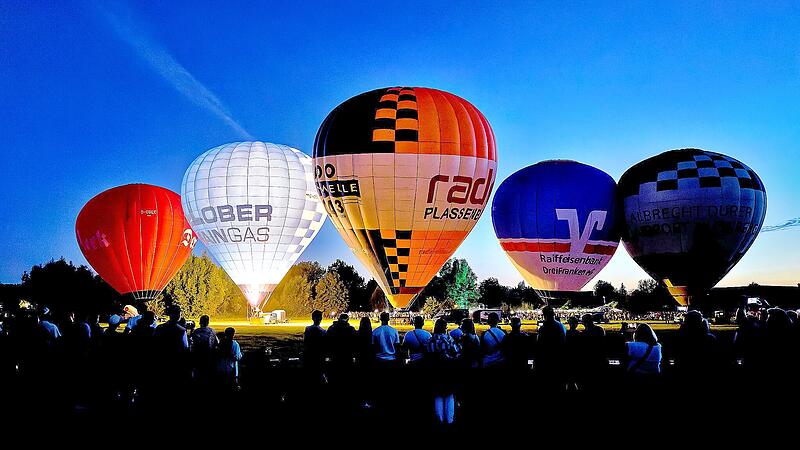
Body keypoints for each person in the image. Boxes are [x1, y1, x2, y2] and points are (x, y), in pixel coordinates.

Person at [426, 319, 460, 425]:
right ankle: (449, 419)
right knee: (449, 395)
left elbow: (427, 355)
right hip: (448, 370)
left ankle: (439, 419)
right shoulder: (449, 339)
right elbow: (457, 353)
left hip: (435, 370)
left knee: (438, 395)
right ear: (445, 328)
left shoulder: (430, 340)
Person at [536, 306, 567, 393]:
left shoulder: (543, 328)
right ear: (553, 314)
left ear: (544, 315)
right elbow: (563, 341)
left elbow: (539, 343)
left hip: (546, 358)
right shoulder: (560, 326)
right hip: (558, 357)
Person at [191, 315, 218, 384]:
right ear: (208, 322)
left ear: (200, 322)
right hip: (209, 356)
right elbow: (217, 342)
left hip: (198, 356)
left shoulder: (196, 332)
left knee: (199, 374)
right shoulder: (212, 331)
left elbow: (192, 342)